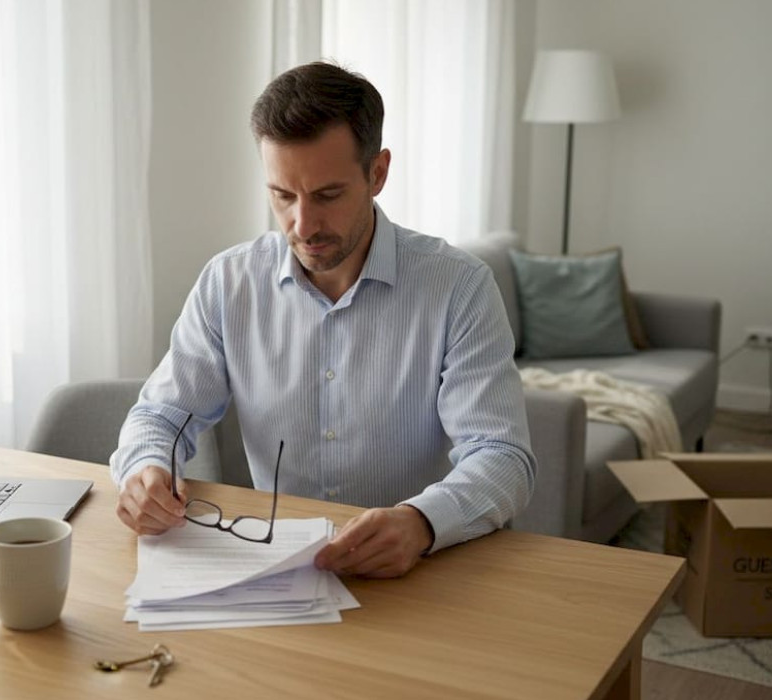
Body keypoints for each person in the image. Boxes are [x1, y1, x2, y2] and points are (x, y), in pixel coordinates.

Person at [110, 61, 535, 579]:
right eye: (282, 196)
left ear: (377, 173)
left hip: (417, 574)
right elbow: (161, 417)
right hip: (278, 570)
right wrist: (144, 469)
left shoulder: (459, 287)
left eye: (328, 195)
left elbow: (502, 455)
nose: (303, 225)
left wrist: (422, 522)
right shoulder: (228, 283)